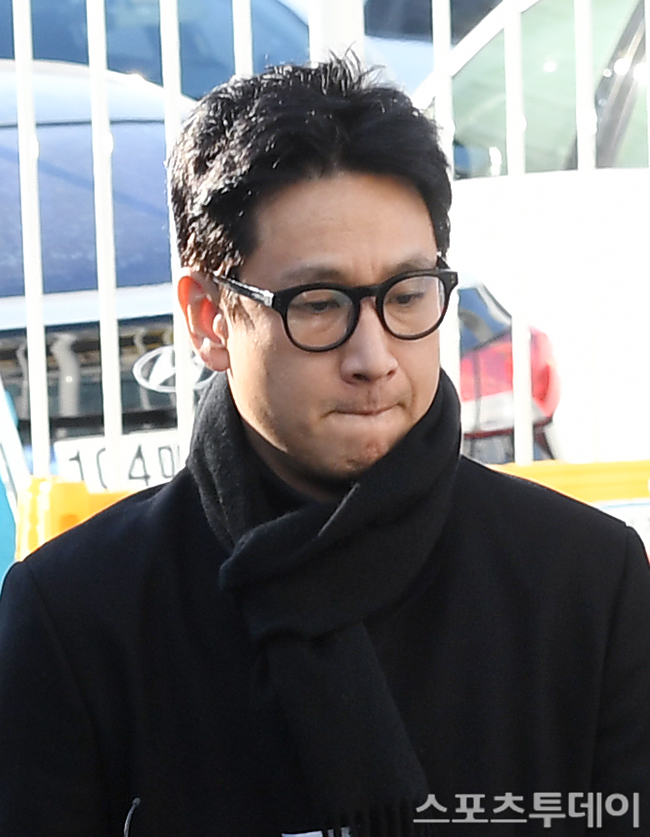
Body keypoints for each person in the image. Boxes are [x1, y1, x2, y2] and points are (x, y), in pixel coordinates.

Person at [0, 57, 649, 837]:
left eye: (407, 294)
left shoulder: (586, 581)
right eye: (318, 303)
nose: (374, 356)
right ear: (209, 317)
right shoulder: (78, 618)